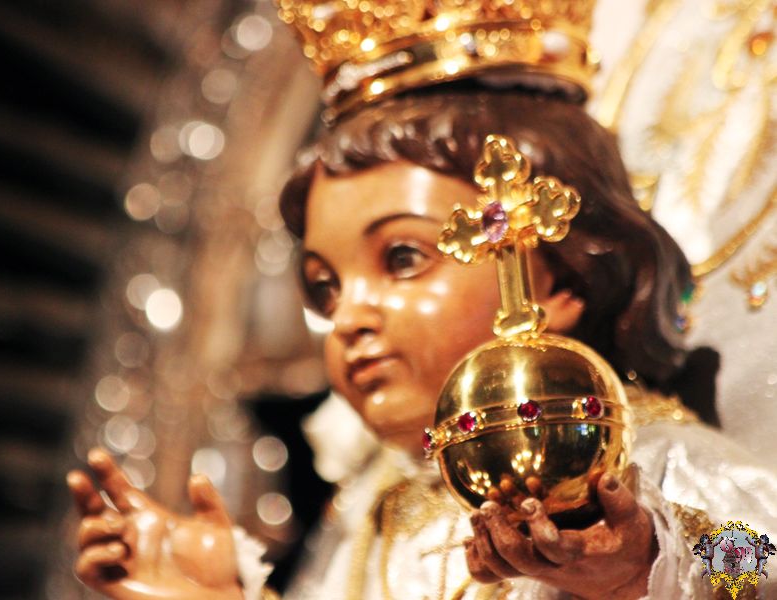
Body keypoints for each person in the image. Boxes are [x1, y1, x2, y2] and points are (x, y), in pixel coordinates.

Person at [66, 3, 777, 599]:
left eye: (402, 259)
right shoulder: (378, 511)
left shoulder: (640, 459)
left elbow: (765, 559)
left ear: (560, 278)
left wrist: (643, 560)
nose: (350, 317)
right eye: (327, 288)